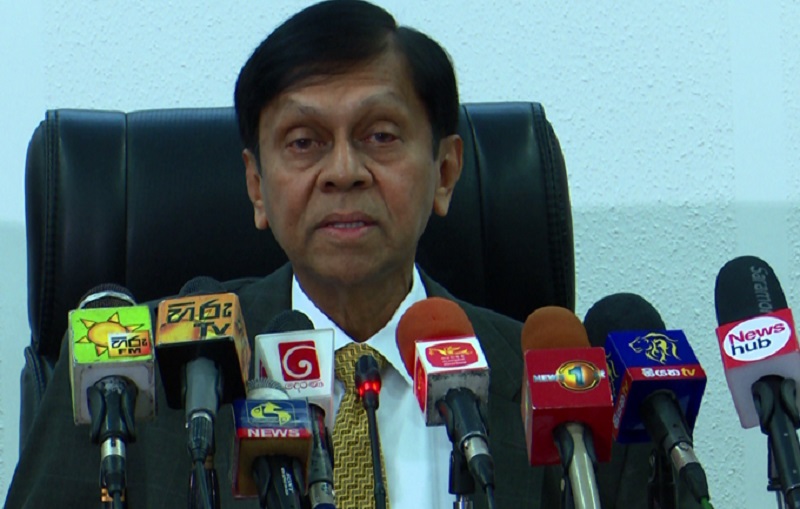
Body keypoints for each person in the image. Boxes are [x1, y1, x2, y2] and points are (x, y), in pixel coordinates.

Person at [5, 1, 654, 508]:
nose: (344, 171)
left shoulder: (568, 393)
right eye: (303, 141)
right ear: (256, 186)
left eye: (381, 135)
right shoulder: (120, 375)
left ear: (446, 172)